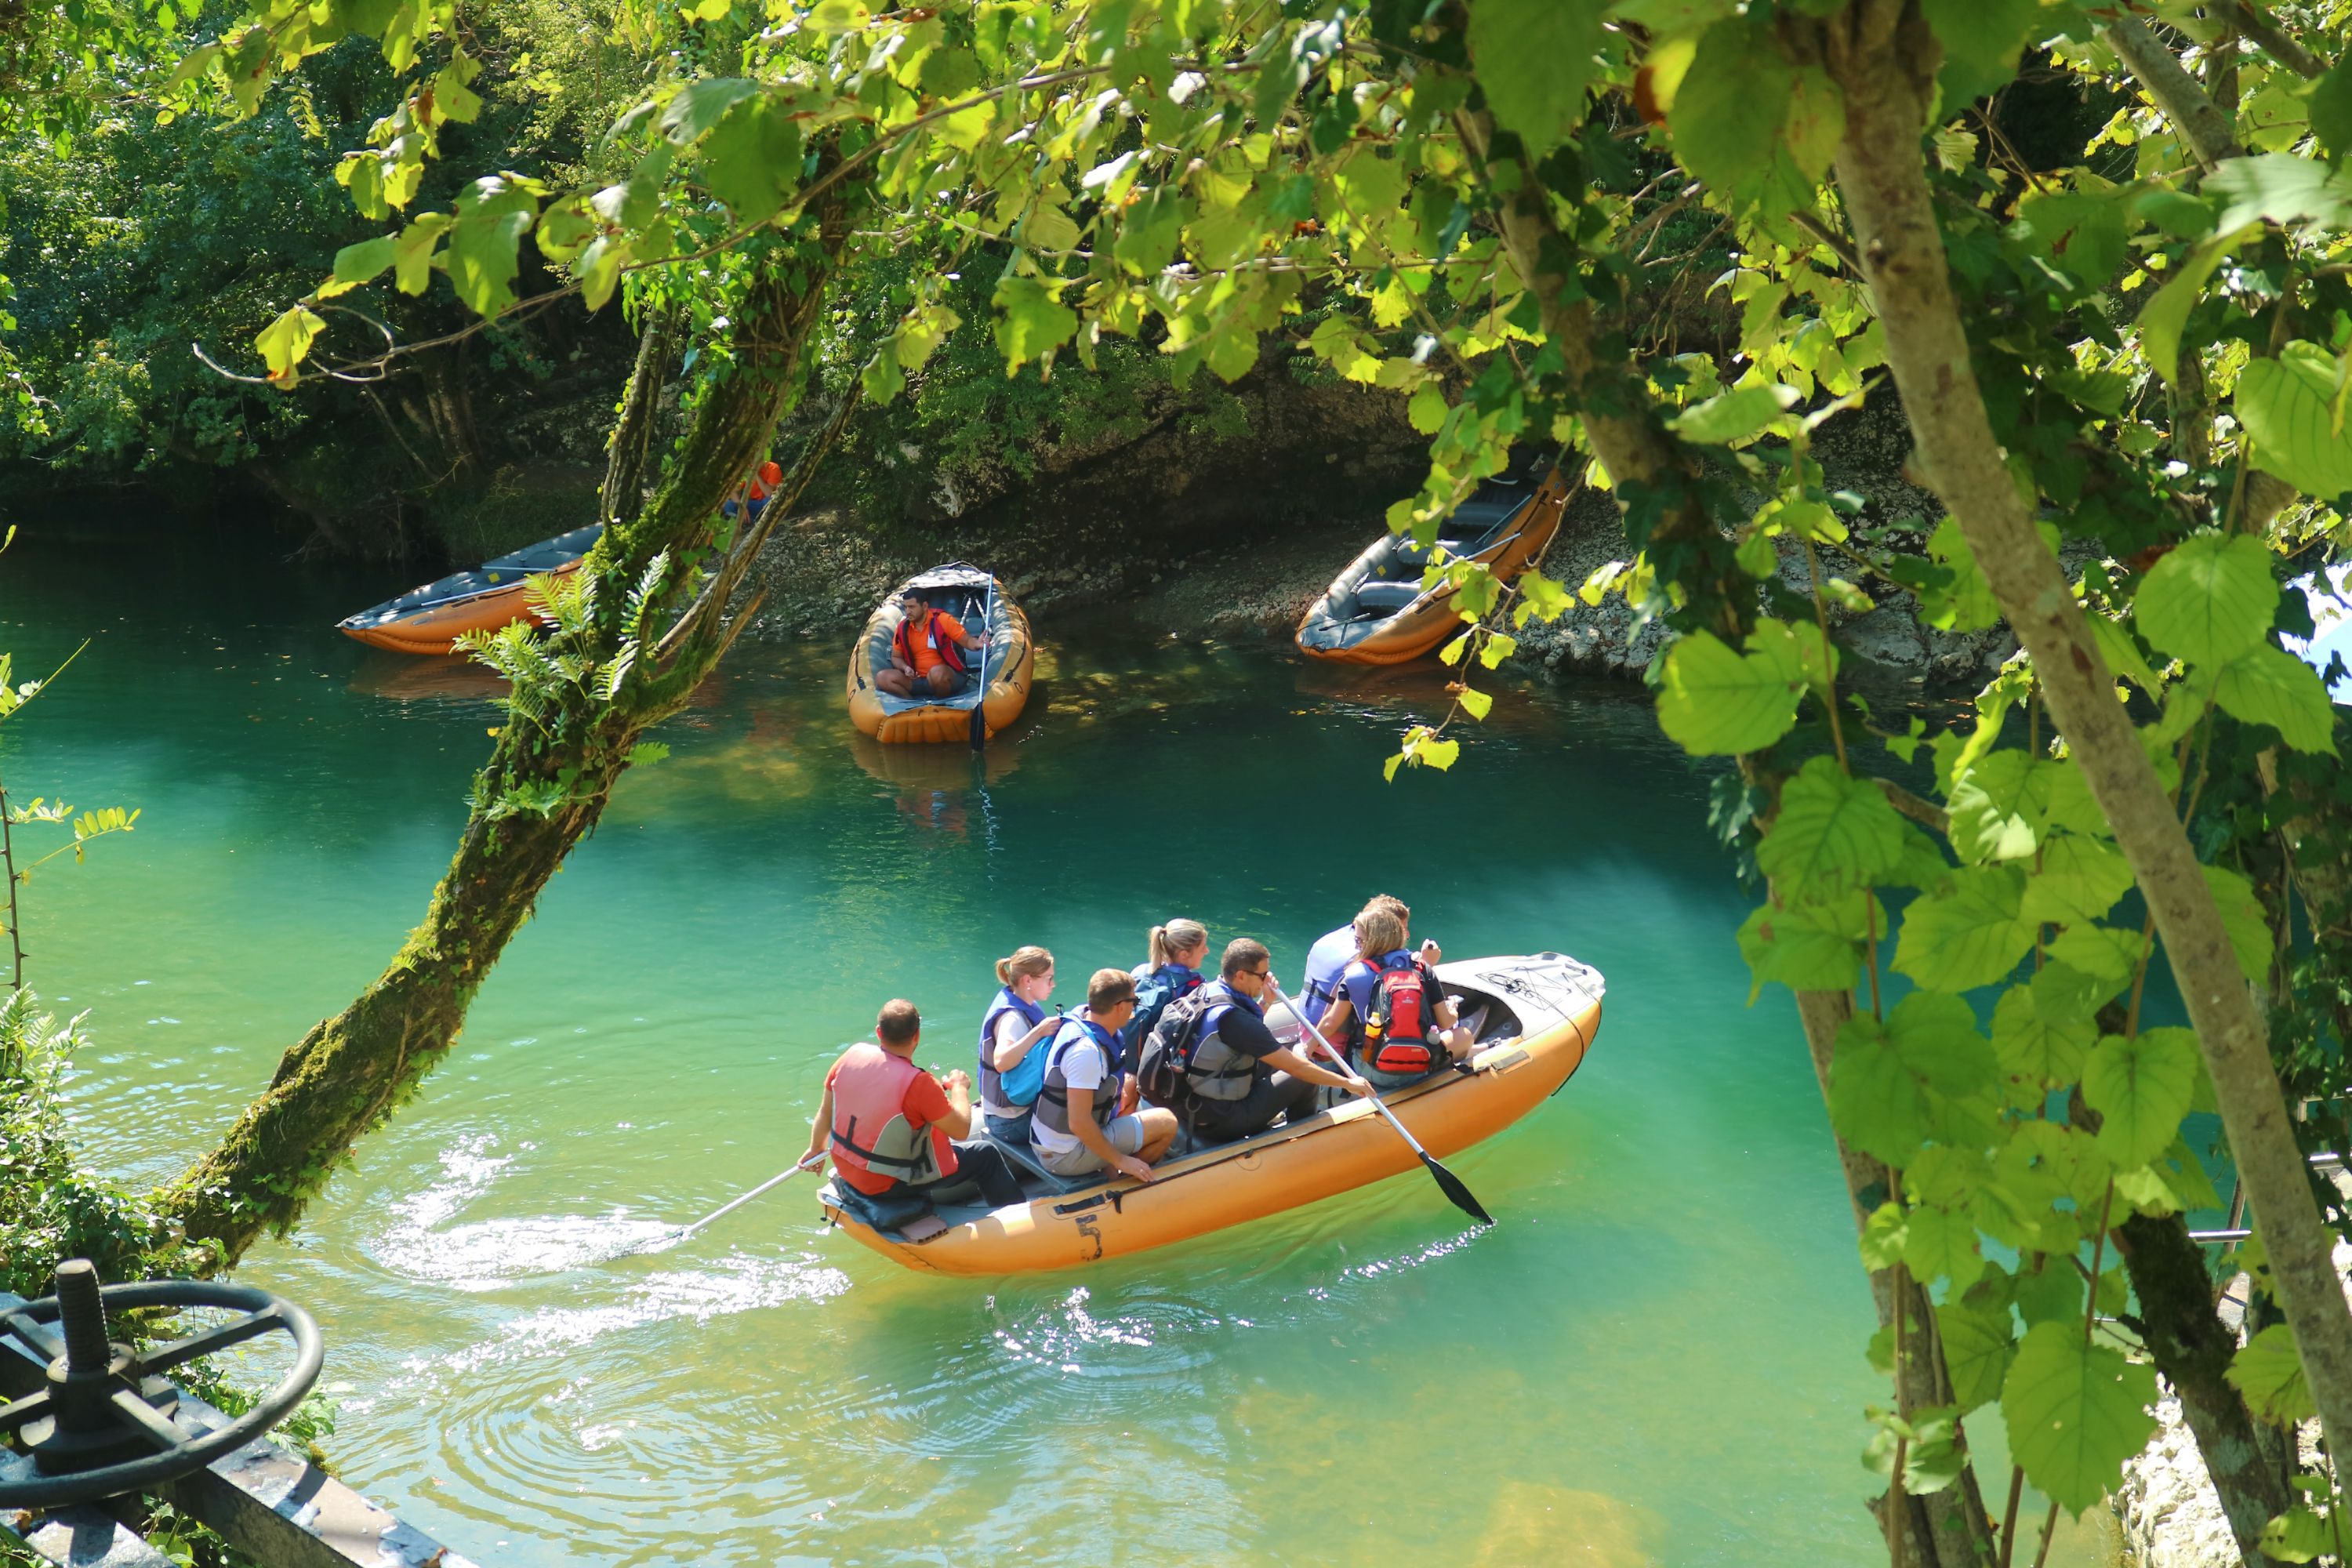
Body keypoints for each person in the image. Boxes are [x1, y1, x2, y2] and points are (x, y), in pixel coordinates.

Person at [804, 999, 1025, 1210]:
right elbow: (961, 1131)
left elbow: (825, 1112)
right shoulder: (920, 1084)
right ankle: (1016, 1218)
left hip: (846, 1168)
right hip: (887, 1184)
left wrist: (815, 1150)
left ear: (879, 1032)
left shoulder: (850, 1057)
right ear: (917, 1036)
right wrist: (959, 1088)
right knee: (985, 1154)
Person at [1143, 938, 1367, 1145]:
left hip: (1193, 1106)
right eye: (1262, 975)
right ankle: (1304, 1137)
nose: (1265, 981)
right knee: (1304, 1076)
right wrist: (1347, 1083)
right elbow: (1297, 1068)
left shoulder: (1207, 992)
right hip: (1221, 1121)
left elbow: (1241, 1037)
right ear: (1241, 975)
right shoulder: (1235, 1020)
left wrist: (1266, 1001)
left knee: (1285, 1052)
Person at [1031, 969, 1180, 1181]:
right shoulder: (1087, 1053)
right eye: (1134, 1001)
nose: (1135, 1007)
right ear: (1120, 1007)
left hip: (1053, 1141)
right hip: (1064, 1154)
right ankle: (1124, 1180)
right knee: (1167, 1122)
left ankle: (1112, 1163)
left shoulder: (1081, 1017)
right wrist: (1120, 1160)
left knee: (1130, 1085)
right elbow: (1079, 1123)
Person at [1312, 904, 1472, 1087]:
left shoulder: (1354, 975)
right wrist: (1453, 1010)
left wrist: (1308, 1049)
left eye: (1359, 940)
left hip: (1369, 1069)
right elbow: (1446, 1022)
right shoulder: (1423, 969)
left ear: (1374, 940)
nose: (1356, 945)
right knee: (1465, 1035)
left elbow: (1330, 1023)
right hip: (1419, 1064)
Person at [1300, 894, 1428, 1025]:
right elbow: (1406, 989)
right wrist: (1427, 962)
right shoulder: (1364, 956)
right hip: (1331, 1031)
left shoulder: (1335, 938)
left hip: (1305, 1019)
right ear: (1383, 928)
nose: (1407, 934)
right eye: (1401, 929)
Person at [978, 946, 1061, 1145]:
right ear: (1028, 981)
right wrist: (1038, 1032)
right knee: (1077, 1118)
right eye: (1049, 978)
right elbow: (1001, 1061)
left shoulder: (1018, 999)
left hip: (1007, 1114)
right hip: (1010, 1122)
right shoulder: (1012, 1018)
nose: (1053, 984)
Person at [1121, 917, 1209, 1091]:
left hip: (1125, 1061)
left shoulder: (1140, 972)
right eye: (1202, 948)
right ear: (1184, 954)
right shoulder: (1195, 986)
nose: (1207, 951)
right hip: (1157, 1068)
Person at [876, 587, 989, 699]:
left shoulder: (943, 620)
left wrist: (978, 643)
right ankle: (910, 703)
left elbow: (968, 641)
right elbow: (896, 657)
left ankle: (940, 702)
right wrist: (905, 668)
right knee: (882, 677)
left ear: (925, 606)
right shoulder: (903, 627)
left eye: (912, 607)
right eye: (905, 607)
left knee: (937, 673)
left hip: (947, 677)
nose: (908, 611)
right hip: (916, 679)